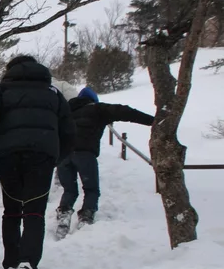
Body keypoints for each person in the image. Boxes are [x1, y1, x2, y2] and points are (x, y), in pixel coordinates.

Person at [0, 55, 75, 269]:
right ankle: (28, 264)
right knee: (35, 211)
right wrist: (56, 156)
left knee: (12, 210)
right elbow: (70, 130)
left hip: (8, 155)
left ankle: (10, 264)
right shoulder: (53, 93)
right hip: (42, 156)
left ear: (10, 70)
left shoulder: (0, 89)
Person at [55, 86, 155, 236]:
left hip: (64, 156)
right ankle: (86, 218)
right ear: (93, 100)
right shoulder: (97, 109)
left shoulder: (65, 112)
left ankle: (63, 216)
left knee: (69, 189)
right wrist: (152, 120)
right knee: (91, 189)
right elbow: (125, 112)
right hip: (85, 155)